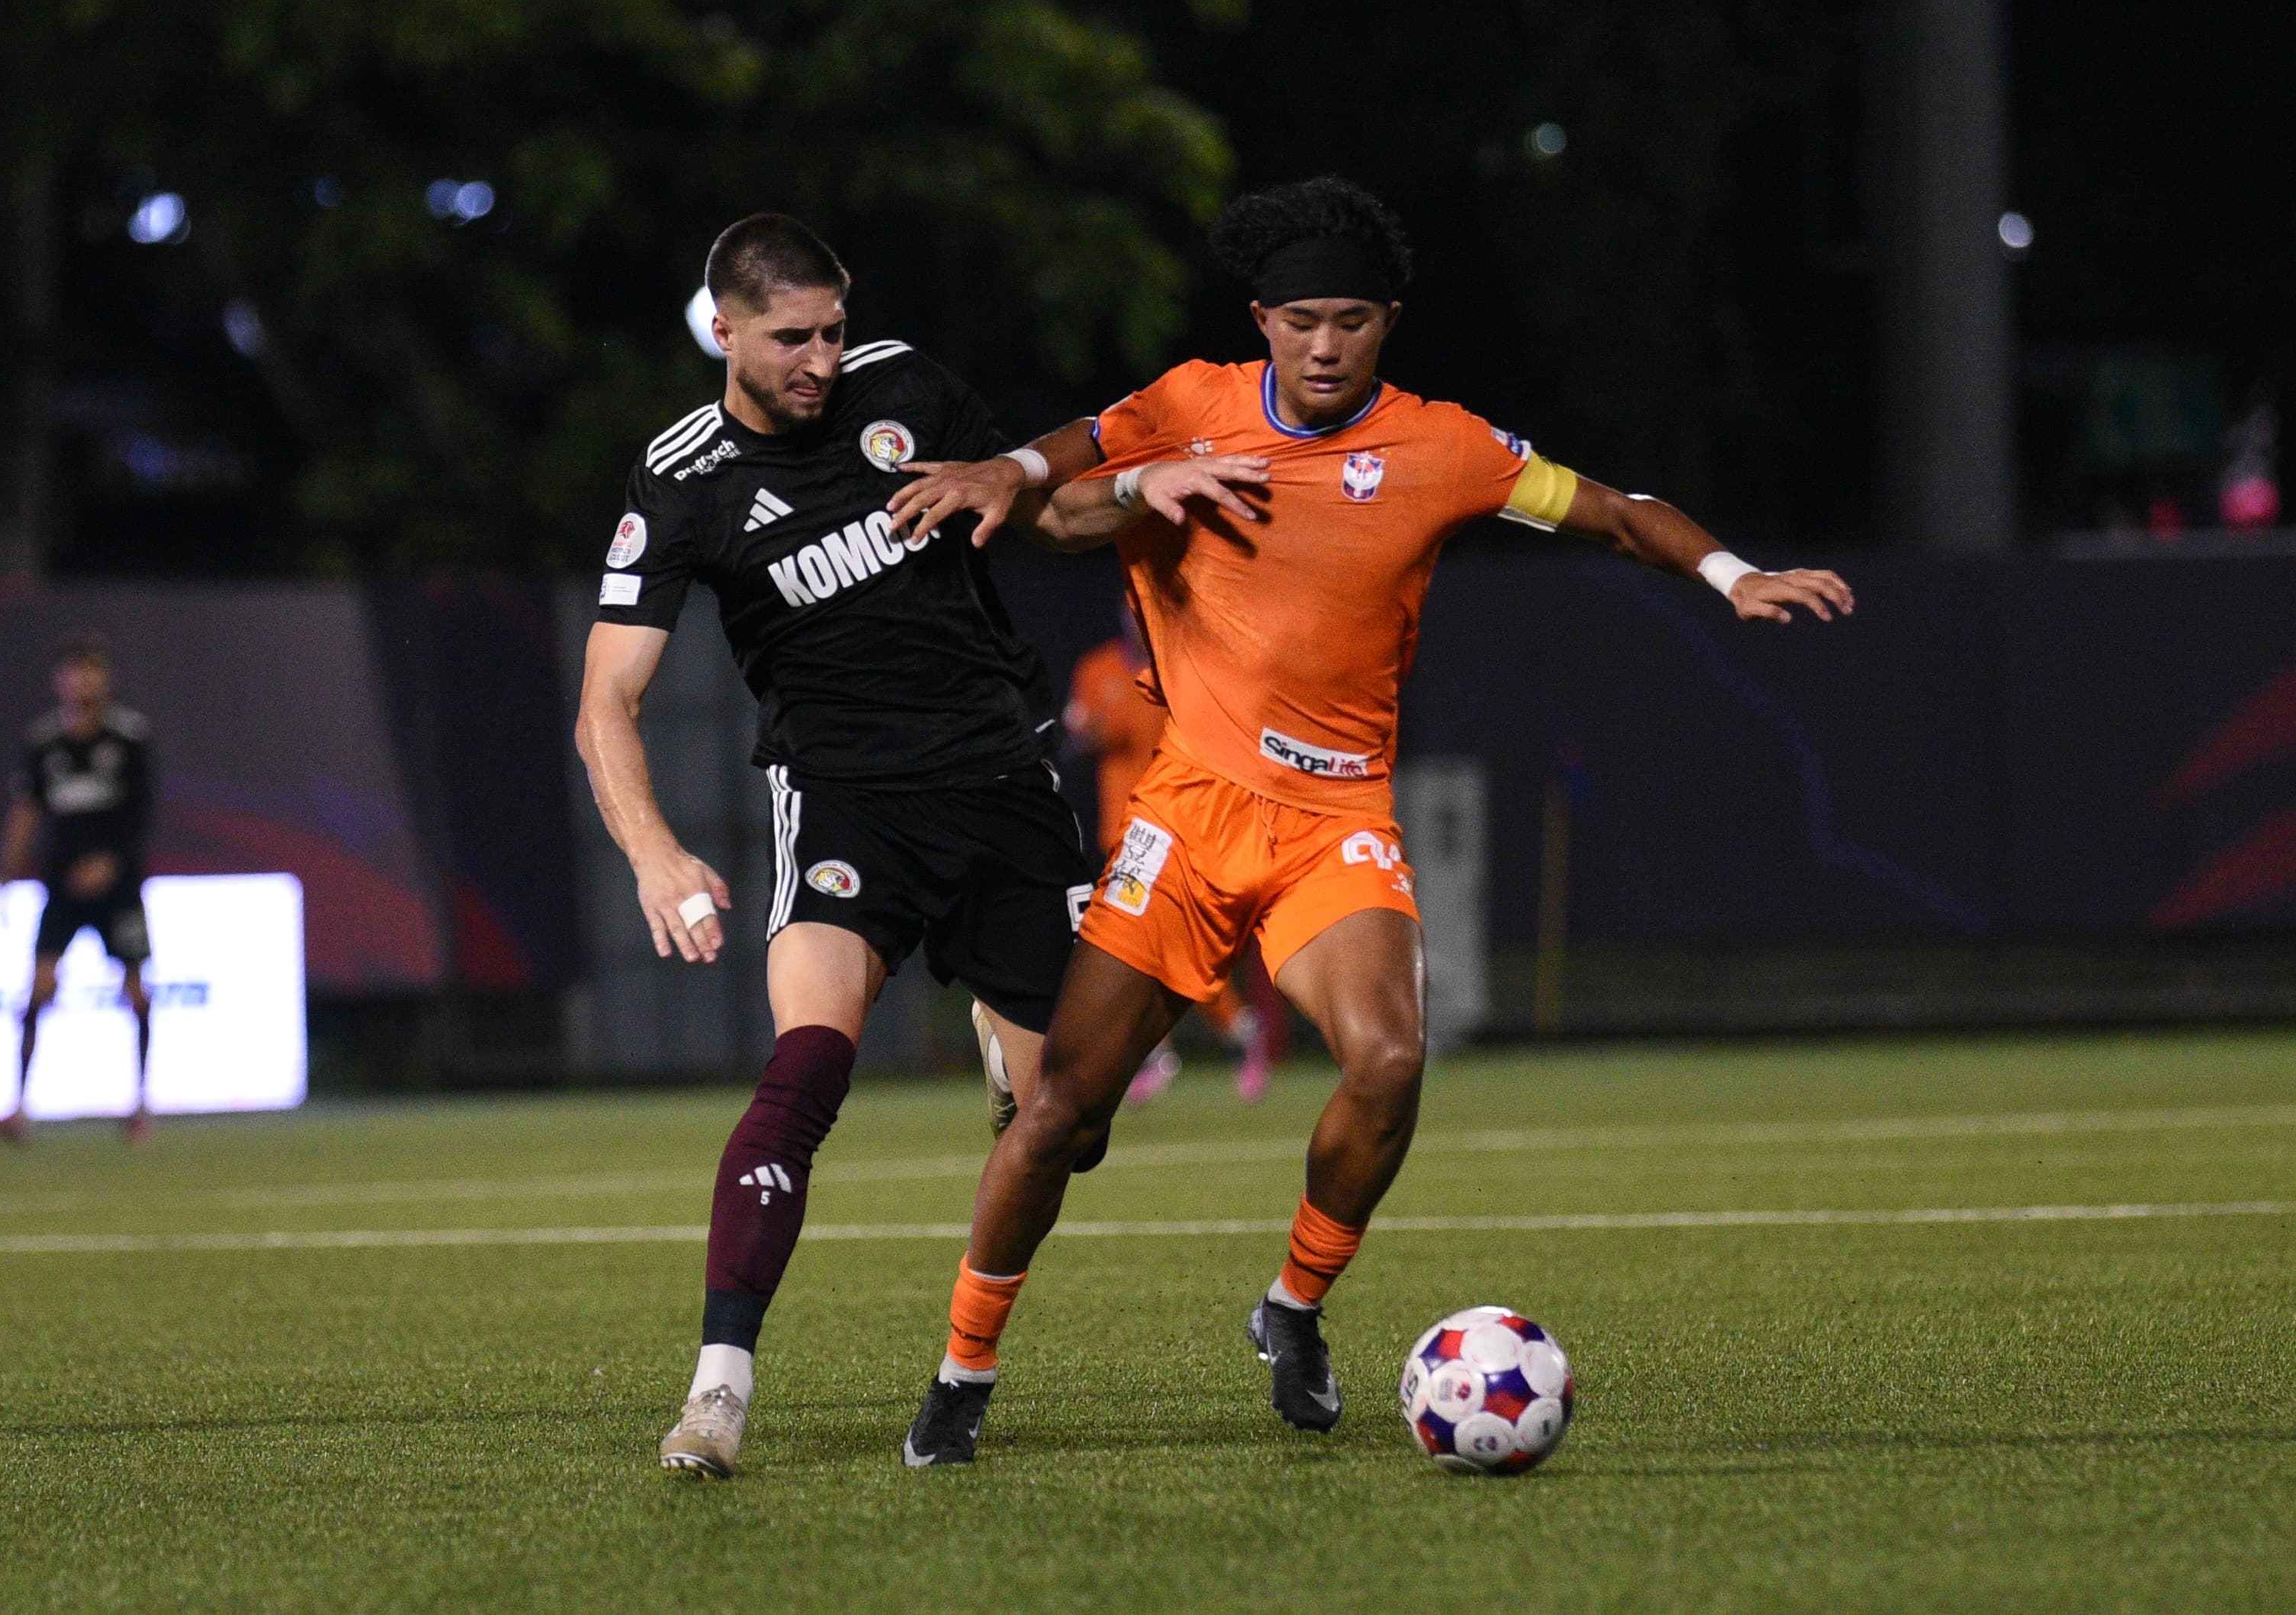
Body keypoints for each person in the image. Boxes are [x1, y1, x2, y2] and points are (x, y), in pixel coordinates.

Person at [882, 176, 1854, 1465]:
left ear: (1386, 322)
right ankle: (962, 1371)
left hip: (1331, 820)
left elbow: (1614, 513)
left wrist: (1732, 574)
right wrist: (1062, 475)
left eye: (1350, 320)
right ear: (1262, 323)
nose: (1325, 344)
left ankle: (1292, 1306)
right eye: (1300, 322)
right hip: (1188, 815)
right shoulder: (1192, 402)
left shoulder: (1445, 448)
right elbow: (1064, 479)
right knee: (1061, 1112)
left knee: (1389, 1061)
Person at [574, 213, 1108, 1481]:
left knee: (1069, 1122)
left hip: (1000, 783)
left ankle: (1007, 1039)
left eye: (831, 330)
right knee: (805, 1070)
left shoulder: (906, 386)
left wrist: (1131, 493)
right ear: (723, 330)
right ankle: (716, 1393)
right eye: (790, 338)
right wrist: (653, 853)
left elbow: (1045, 516)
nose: (820, 359)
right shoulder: (683, 475)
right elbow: (605, 701)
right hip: (842, 801)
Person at [1064, 608, 1276, 1104]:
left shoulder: (1183, 667)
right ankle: (1201, 1042)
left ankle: (1221, 1035)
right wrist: (1097, 731)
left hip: (1180, 826)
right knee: (1140, 948)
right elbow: (1077, 738)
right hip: (1124, 833)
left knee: (1170, 946)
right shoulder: (1097, 669)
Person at [0, 638, 157, 1144]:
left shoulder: (129, 738)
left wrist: (110, 862)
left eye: (92, 672)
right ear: (60, 680)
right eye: (74, 672)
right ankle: (18, 1109)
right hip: (62, 887)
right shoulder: (43, 743)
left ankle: (140, 1107)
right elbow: (27, 809)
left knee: (136, 993)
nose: (83, 682)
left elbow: (142, 813)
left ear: (106, 680)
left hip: (118, 888)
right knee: (39, 988)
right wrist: (7, 866)